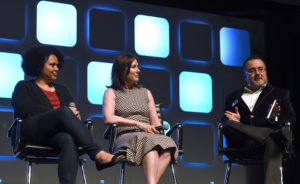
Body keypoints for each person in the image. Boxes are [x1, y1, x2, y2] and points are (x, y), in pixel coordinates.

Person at [11, 45, 125, 184]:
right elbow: (23, 109)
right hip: (33, 132)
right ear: (39, 65)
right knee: (64, 111)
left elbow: (72, 114)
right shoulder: (23, 86)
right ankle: (96, 154)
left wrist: (76, 117)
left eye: (58, 65)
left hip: (55, 136)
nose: (57, 69)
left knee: (67, 139)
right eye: (52, 65)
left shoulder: (62, 90)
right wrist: (61, 113)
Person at [103, 53, 178, 184]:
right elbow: (108, 118)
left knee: (168, 145)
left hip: (146, 135)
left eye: (138, 66)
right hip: (125, 135)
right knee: (149, 144)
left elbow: (155, 122)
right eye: (134, 67)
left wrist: (157, 130)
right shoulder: (111, 92)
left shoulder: (146, 93)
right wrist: (138, 124)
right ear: (122, 70)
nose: (139, 70)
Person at [221, 55, 296, 184]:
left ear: (265, 72)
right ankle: (270, 134)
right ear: (244, 75)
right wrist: (237, 121)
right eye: (252, 70)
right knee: (227, 124)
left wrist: (274, 119)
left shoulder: (280, 94)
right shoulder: (232, 97)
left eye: (261, 69)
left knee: (273, 143)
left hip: (267, 146)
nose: (258, 73)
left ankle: (270, 135)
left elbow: (290, 118)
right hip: (242, 144)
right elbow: (224, 122)